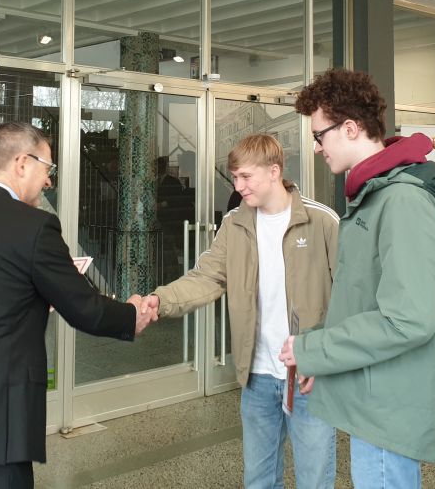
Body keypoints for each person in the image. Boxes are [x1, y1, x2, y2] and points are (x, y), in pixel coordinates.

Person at [0, 122, 154, 489]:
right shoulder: (35, 228)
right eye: (47, 168)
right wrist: (131, 315)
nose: (48, 181)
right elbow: (85, 309)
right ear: (21, 163)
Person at [278, 68, 435, 488]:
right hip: (374, 403)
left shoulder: (401, 202)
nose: (317, 148)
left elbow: (407, 318)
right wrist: (321, 359)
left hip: (386, 414)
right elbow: (362, 303)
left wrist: (315, 347)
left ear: (350, 128)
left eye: (319, 135)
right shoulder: (375, 198)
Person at [141, 134, 339, 489]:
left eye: (246, 176)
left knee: (314, 480)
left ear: (274, 171)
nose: (237, 186)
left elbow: (349, 294)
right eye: (235, 177)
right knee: (258, 481)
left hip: (310, 375)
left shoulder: (321, 221)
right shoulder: (235, 224)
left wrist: (327, 356)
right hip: (257, 376)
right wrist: (162, 299)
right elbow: (206, 277)